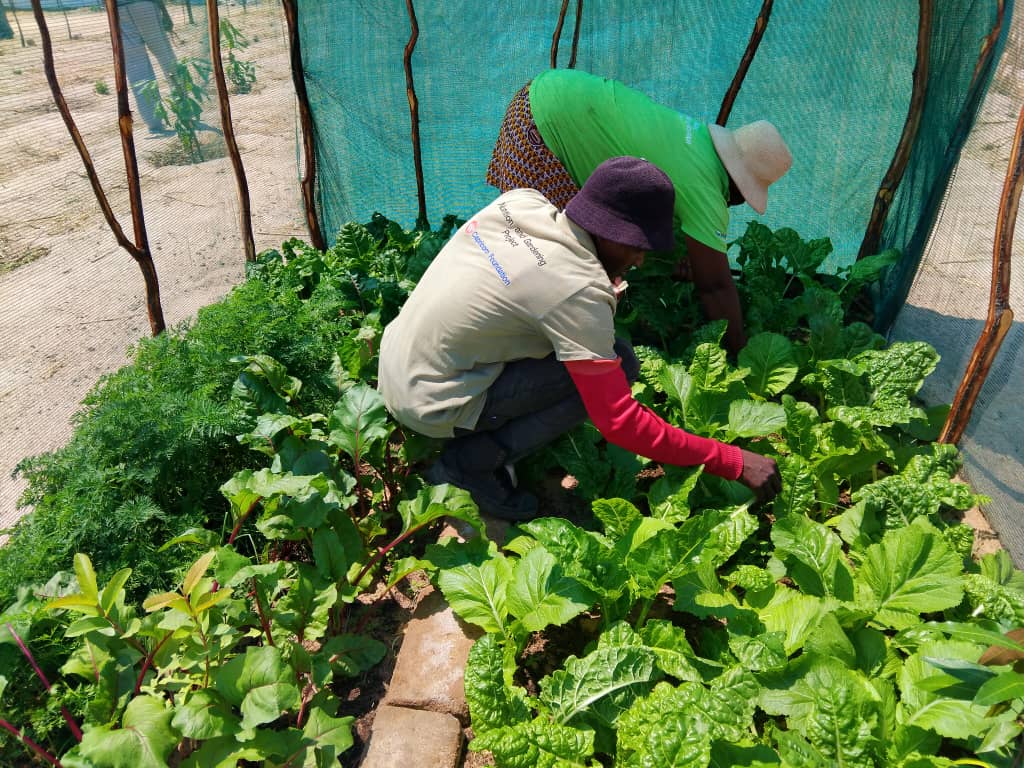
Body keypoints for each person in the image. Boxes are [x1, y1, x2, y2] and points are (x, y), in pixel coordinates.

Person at [378, 156, 781, 521]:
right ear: (615, 234)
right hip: (428, 401)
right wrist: (730, 459)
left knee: (608, 354)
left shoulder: (522, 204)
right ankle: (471, 463)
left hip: (397, 362)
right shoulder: (577, 290)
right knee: (619, 370)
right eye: (639, 247)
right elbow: (620, 422)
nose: (640, 260)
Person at [486, 69, 793, 355]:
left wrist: (681, 261)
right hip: (543, 129)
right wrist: (742, 356)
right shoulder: (708, 190)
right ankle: (525, 349)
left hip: (541, 94)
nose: (737, 204)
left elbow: (634, 221)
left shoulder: (696, 140)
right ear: (741, 186)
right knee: (545, 258)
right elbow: (716, 287)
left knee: (557, 254)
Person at [118, 0, 178, 136]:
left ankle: (154, 124)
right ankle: (186, 110)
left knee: (137, 69)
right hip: (144, 6)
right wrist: (164, 11)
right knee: (167, 58)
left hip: (119, 11)